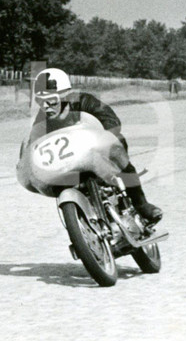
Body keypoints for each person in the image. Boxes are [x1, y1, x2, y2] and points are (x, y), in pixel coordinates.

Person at [27, 68, 163, 225]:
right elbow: (33, 144)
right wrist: (27, 160)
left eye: (51, 101)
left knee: (119, 151)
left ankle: (141, 204)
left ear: (65, 96)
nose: (46, 106)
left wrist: (106, 136)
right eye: (40, 102)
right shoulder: (42, 120)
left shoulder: (85, 101)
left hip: (97, 151)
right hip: (69, 163)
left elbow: (110, 120)